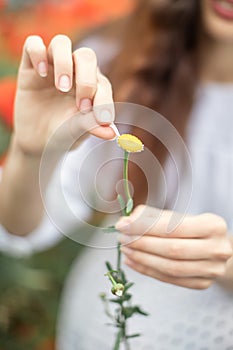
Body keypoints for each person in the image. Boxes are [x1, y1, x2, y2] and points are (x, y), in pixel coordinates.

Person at [1, 0, 233, 348]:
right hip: (94, 327)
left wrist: (226, 265)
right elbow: (21, 224)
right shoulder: (115, 60)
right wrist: (31, 152)